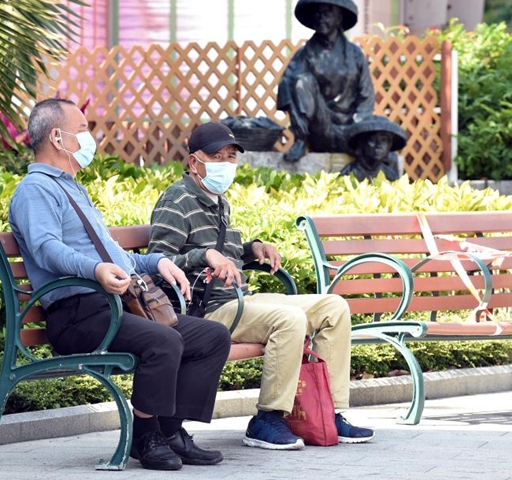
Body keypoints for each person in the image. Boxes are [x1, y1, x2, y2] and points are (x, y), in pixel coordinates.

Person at [8, 98, 231, 471]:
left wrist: (156, 261)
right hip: (77, 315)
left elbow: (117, 258)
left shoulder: (73, 189)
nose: (89, 137)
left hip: (114, 307)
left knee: (211, 337)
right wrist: (95, 270)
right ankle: (144, 437)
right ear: (57, 137)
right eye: (82, 130)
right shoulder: (35, 190)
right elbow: (47, 249)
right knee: (164, 341)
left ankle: (170, 430)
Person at [148, 121, 375, 450]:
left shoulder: (219, 200)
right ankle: (267, 419)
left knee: (333, 307)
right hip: (205, 311)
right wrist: (204, 256)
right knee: (289, 320)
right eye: (216, 156)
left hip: (239, 301)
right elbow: (159, 262)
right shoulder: (176, 200)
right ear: (194, 161)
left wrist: (252, 248)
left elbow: (223, 251)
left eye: (230, 156)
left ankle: (329, 412)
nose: (225, 163)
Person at [278, 0, 376, 163]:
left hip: (350, 130)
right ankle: (300, 140)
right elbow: (285, 83)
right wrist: (295, 115)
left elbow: (366, 95)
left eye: (326, 14)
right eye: (317, 14)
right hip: (319, 128)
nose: (320, 18)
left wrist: (358, 128)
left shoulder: (355, 54)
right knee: (302, 80)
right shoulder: (305, 53)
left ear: (339, 18)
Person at [340, 115, 408, 181]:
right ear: (361, 144)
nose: (378, 145)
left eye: (384, 141)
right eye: (372, 140)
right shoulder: (347, 176)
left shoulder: (390, 176)